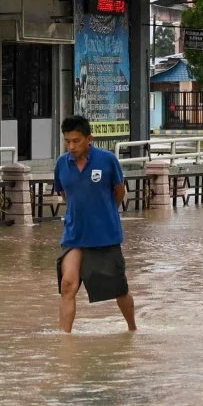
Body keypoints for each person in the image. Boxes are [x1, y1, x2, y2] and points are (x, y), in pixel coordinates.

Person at [53, 115, 135, 333]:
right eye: (67, 141)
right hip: (74, 235)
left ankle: (132, 329)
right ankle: (65, 338)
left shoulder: (107, 160)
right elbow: (64, 194)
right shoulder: (62, 164)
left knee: (118, 289)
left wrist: (103, 213)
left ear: (89, 138)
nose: (71, 146)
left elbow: (119, 192)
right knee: (67, 285)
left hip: (104, 235)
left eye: (76, 141)